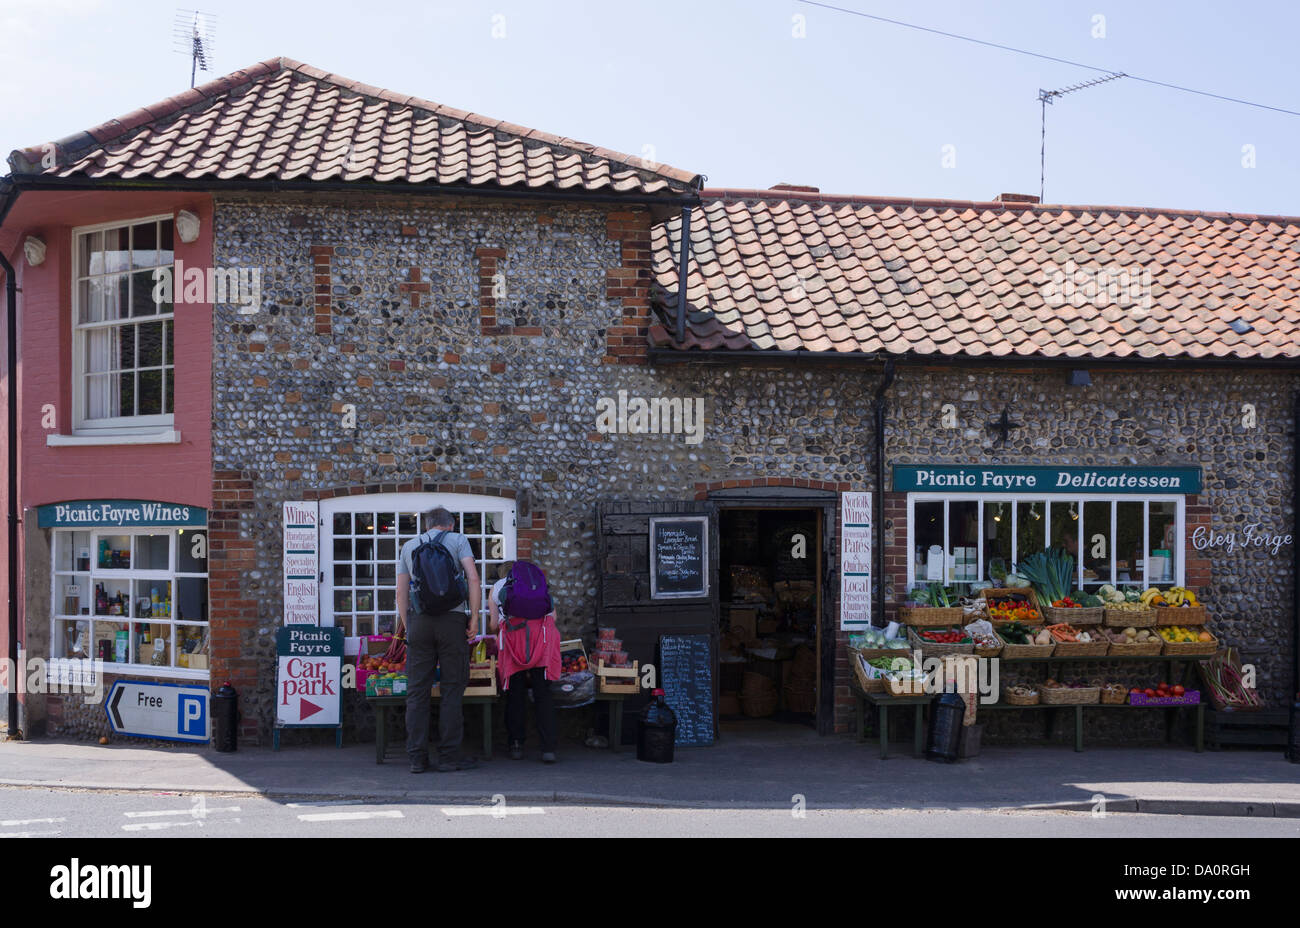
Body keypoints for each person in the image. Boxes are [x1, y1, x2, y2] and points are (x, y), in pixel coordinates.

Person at [395, 507, 482, 773]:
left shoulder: (410, 545)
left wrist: (408, 625)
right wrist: (475, 617)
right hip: (452, 621)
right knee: (452, 688)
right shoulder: (458, 541)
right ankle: (448, 756)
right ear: (451, 524)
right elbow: (473, 578)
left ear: (427, 524)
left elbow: (400, 590)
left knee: (417, 692)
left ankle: (417, 758)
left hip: (420, 621)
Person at [488, 561, 560, 763]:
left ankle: (516, 744)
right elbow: (552, 616)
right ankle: (548, 748)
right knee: (543, 693)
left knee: (515, 693)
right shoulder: (537, 585)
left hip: (513, 640)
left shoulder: (496, 588)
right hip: (541, 640)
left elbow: (494, 624)